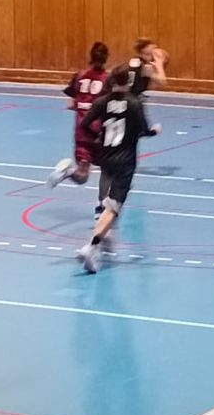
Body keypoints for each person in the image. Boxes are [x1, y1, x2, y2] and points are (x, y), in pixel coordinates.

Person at [75, 64, 148, 273]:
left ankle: (93, 240)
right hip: (125, 160)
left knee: (107, 201)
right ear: (129, 81)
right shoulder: (134, 103)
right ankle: (91, 246)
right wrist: (153, 131)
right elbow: (143, 130)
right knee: (114, 207)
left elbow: (85, 124)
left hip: (105, 155)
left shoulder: (102, 102)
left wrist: (99, 135)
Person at [47, 41, 110, 193]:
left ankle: (67, 172)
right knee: (110, 168)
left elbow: (70, 104)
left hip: (81, 130)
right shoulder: (108, 79)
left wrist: (82, 106)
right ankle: (106, 201)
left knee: (82, 176)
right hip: (99, 132)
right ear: (106, 57)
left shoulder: (79, 76)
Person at [128, 37, 167, 137]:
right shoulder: (145, 67)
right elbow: (162, 81)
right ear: (144, 51)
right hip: (132, 100)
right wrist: (159, 64)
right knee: (138, 131)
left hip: (125, 96)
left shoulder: (133, 60)